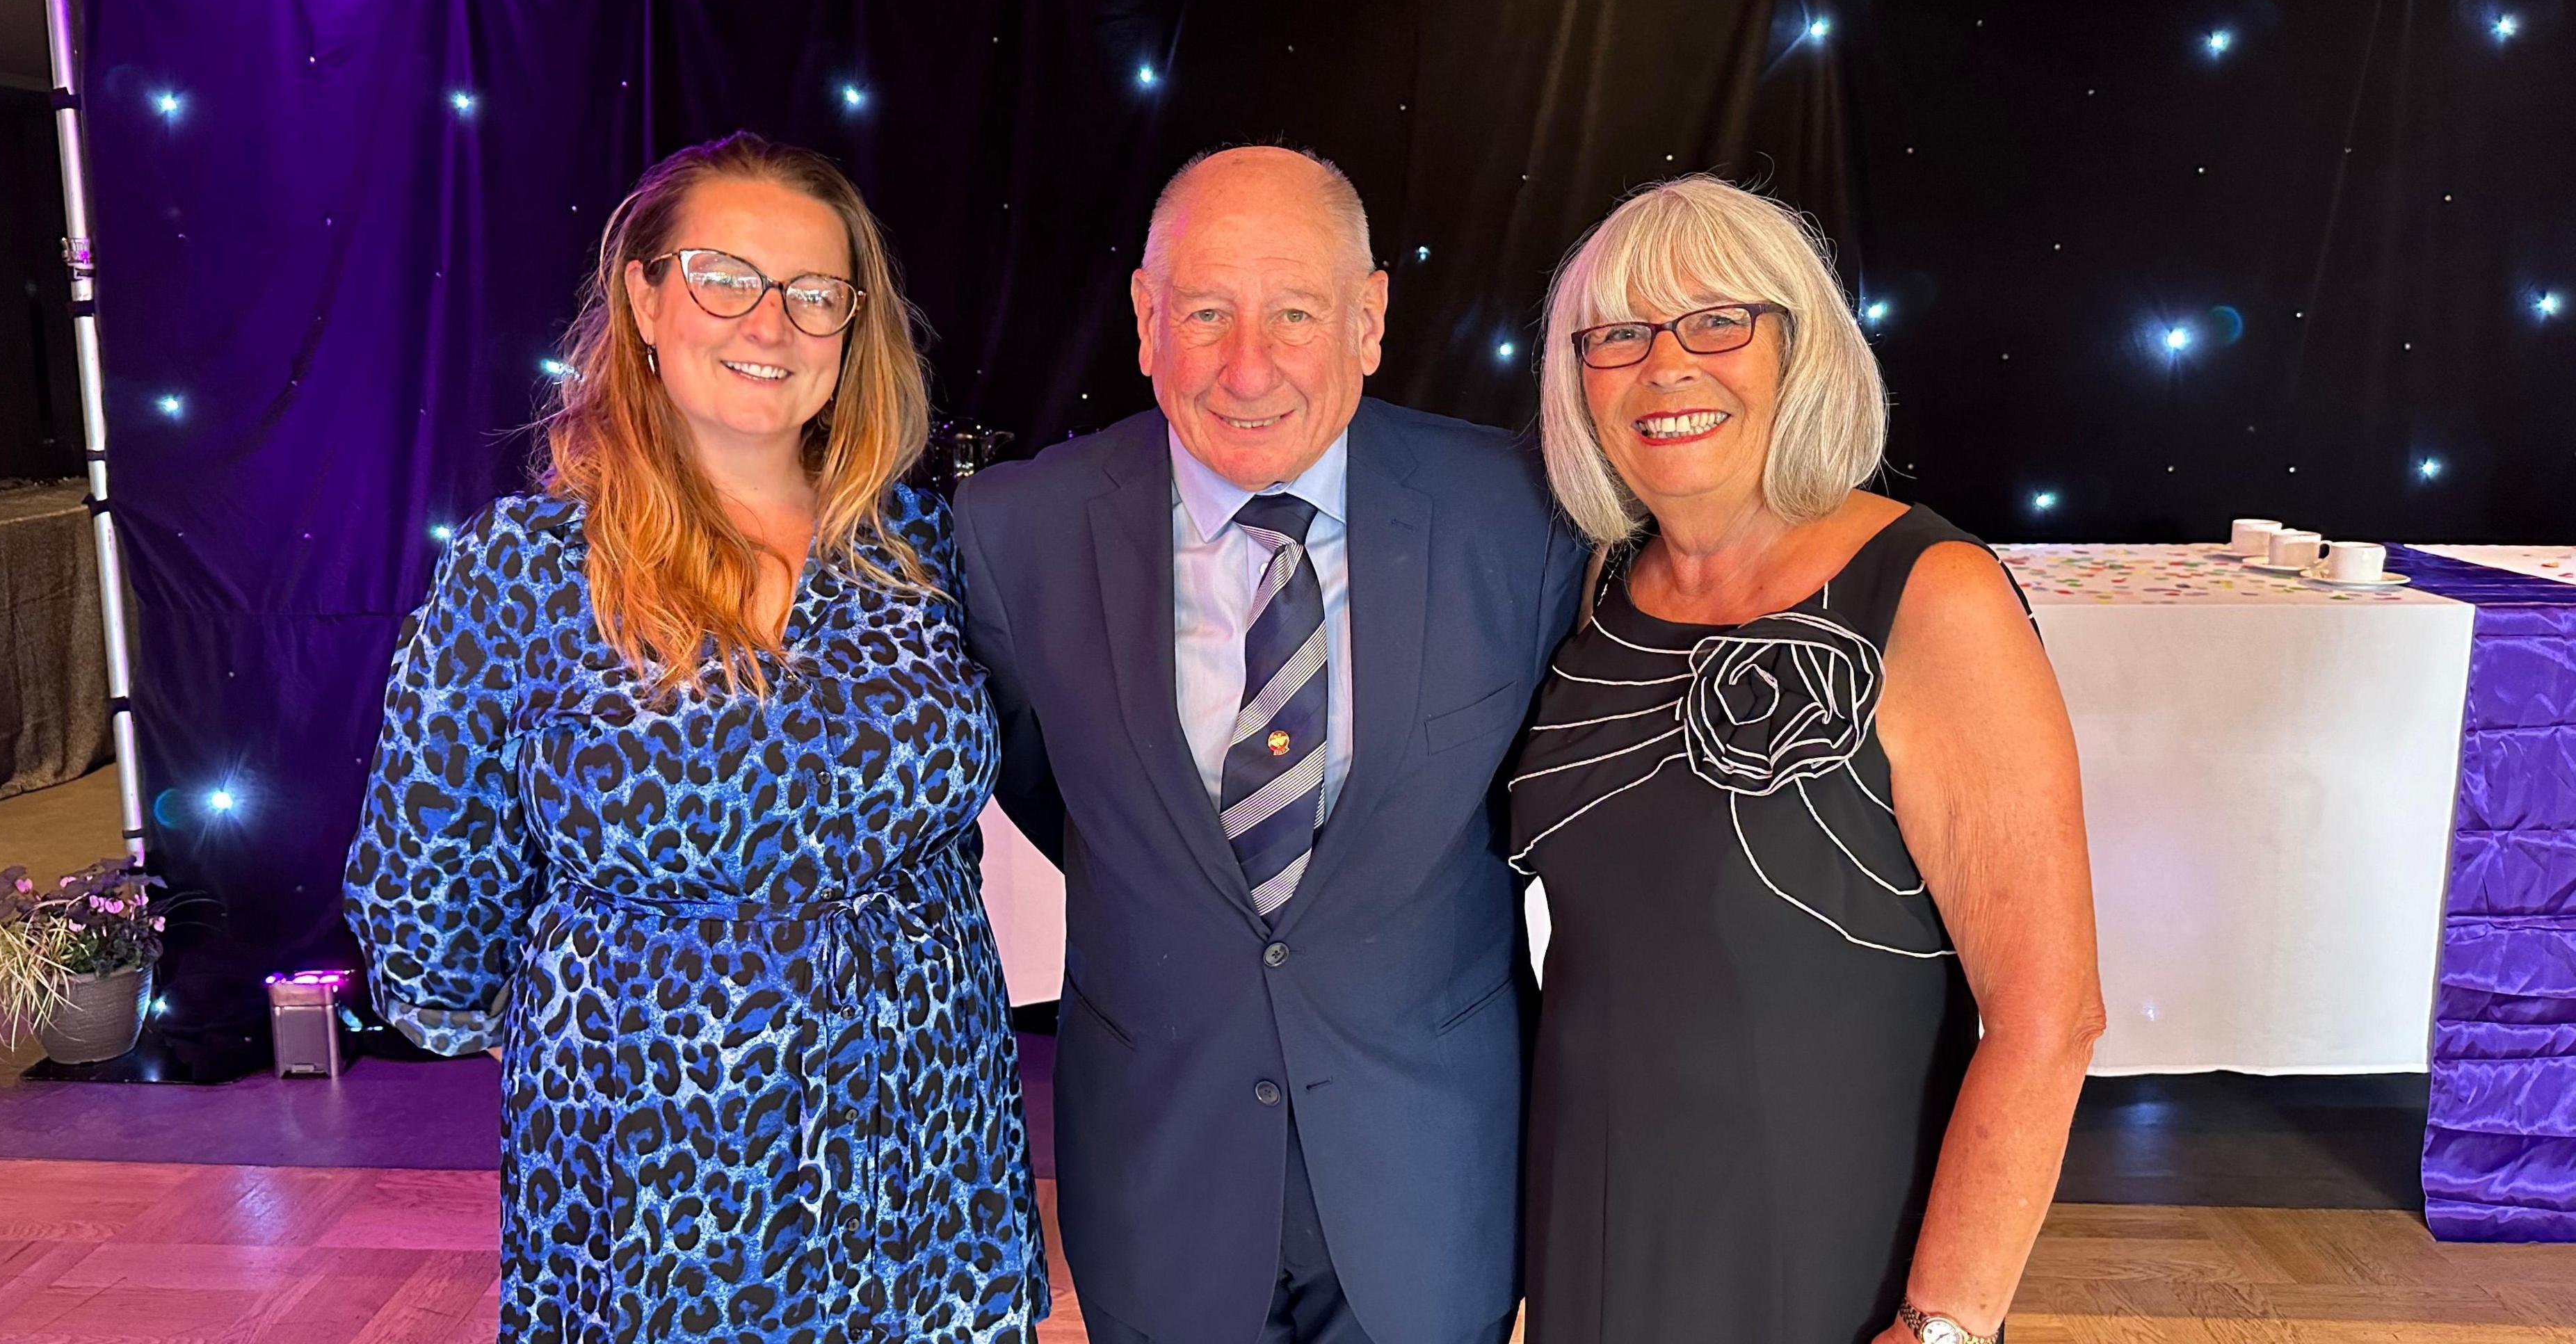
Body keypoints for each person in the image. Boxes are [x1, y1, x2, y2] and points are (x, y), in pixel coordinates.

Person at [344, 133, 1046, 1343]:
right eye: (726, 276)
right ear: (645, 297)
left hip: (924, 1140)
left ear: (852, 331)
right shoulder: (522, 574)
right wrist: (594, 1027)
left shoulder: (929, 551)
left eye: (815, 295)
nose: (768, 325)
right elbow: (426, 908)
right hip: (656, 1171)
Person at [954, 147, 1586, 1344]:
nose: (1249, 367)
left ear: (1369, 318)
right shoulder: (1013, 532)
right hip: (1161, 1167)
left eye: (1296, 312)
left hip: (1429, 1170)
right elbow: (1060, 797)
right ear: (1146, 320)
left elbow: (1527, 798)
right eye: (1205, 311)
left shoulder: (1524, 512)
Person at [1508, 175, 2105, 1344]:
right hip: (1597, 1215)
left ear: (1802, 348)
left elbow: (2051, 1015)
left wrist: (1946, 1328)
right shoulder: (1601, 591)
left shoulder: (1930, 597)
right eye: (1618, 335)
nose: (1665, 366)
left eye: (1718, 320)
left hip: (1817, 1233)